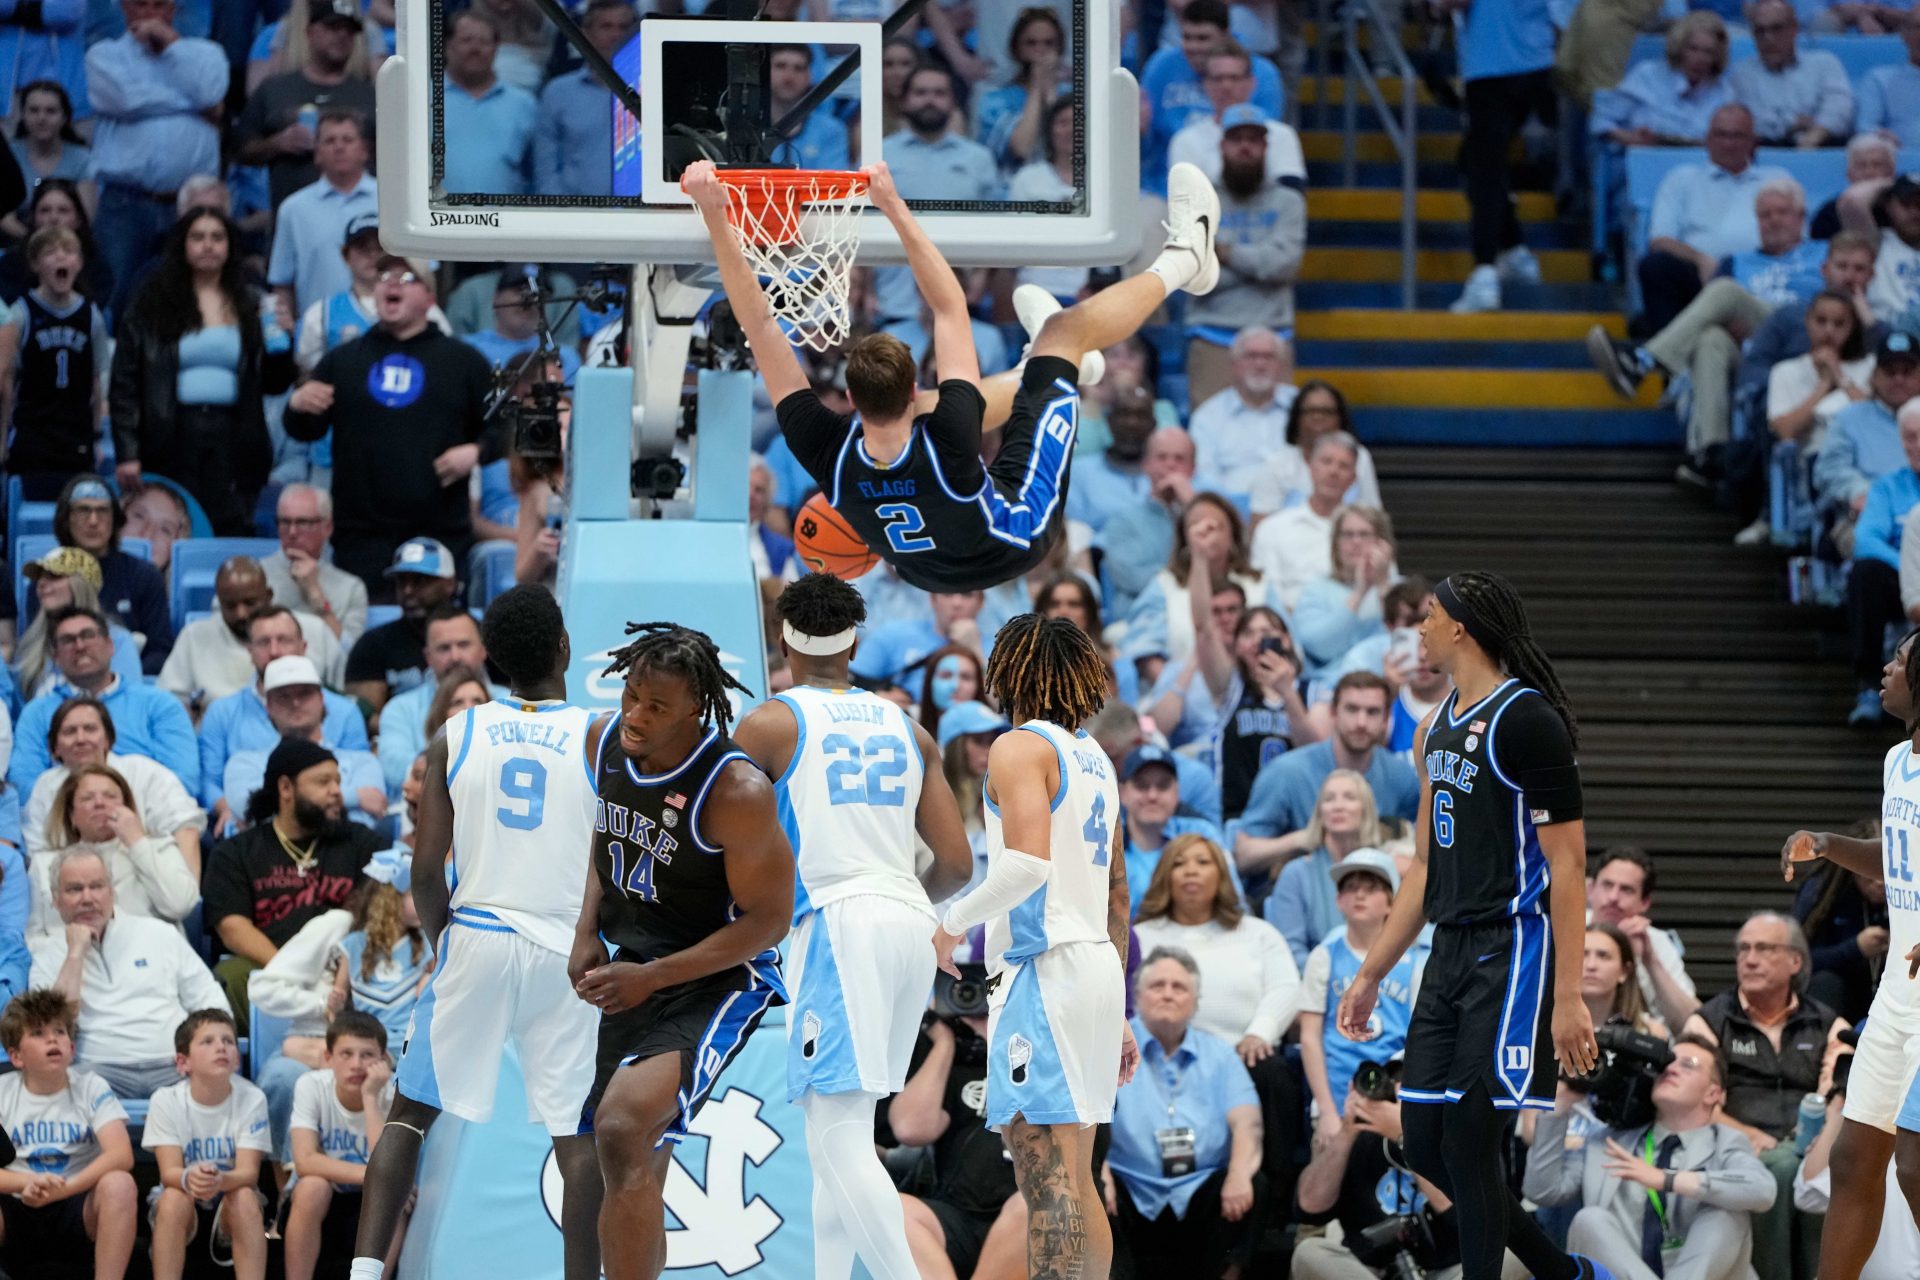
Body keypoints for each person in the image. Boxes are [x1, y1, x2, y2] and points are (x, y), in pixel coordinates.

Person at [688, 155, 1221, 594]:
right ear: (915, 386)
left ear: (850, 395)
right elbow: (948, 309)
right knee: (1063, 330)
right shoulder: (917, 430)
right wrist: (892, 207)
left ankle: (1049, 372)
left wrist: (716, 219)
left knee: (1040, 367)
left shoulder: (865, 441)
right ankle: (1187, 256)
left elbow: (758, 321)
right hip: (1015, 536)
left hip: (926, 569)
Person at [1336, 572, 1601, 1280]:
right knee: (1426, 1144)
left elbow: (1570, 869)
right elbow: (1421, 867)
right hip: (1447, 949)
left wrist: (1568, 996)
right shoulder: (1432, 727)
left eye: (1429, 616)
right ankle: (1562, 1274)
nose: (1419, 628)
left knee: (1472, 1140)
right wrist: (1371, 974)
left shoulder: (1528, 721)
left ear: (1462, 629)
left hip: (1514, 948)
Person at [350, 586, 603, 1280]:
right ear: (564, 649)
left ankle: (364, 1273)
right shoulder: (598, 736)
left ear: (489, 658)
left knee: (408, 1117)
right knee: (577, 1136)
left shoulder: (454, 735)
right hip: (565, 948)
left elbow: (426, 873)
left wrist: (446, 946)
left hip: (479, 931)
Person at [729, 573, 973, 1280]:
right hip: (908, 917)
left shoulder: (771, 721)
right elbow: (956, 863)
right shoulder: (909, 725)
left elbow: (725, 841)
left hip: (840, 922)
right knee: (837, 1133)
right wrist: (899, 903)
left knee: (837, 1136)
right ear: (855, 639)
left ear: (784, 639)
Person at [571, 621, 793, 1280]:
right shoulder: (604, 739)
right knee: (632, 1156)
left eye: (657, 706)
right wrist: (586, 928)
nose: (635, 715)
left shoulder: (735, 791)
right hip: (634, 966)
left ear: (696, 710)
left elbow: (771, 921)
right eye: (631, 695)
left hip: (719, 977)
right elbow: (606, 837)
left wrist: (656, 976)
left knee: (619, 1128)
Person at [926, 613, 1134, 1280]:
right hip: (1096, 968)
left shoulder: (1020, 747)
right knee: (1077, 1174)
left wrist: (951, 921)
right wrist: (1119, 1006)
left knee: (1044, 1177)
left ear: (1010, 672)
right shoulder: (1094, 757)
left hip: (1048, 972)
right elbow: (1119, 893)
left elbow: (1026, 868)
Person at [1780, 636, 1920, 1280]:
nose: (1887, 668)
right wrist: (1831, 844)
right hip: (1897, 991)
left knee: (1916, 1168)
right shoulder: (1896, 759)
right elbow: (1899, 862)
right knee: (1854, 1158)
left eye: (1900, 661)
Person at [284, 258, 493, 588]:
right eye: (384, 275)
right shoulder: (343, 360)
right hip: (362, 537)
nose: (392, 283)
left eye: (407, 277)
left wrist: (476, 451)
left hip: (440, 535)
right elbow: (305, 429)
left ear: (430, 297)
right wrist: (296, 405)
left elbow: (506, 428)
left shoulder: (463, 362)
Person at [1525, 1035, 1777, 1280]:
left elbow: (1762, 1190)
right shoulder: (1608, 1141)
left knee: (1724, 1214)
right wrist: (1560, 1104)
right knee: (1589, 1220)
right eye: (1667, 1063)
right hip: (1626, 1271)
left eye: (1688, 1065)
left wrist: (1665, 1179)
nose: (1671, 1069)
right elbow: (1542, 1191)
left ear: (1713, 1094)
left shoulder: (1725, 1141)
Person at [1678, 912, 1844, 1280]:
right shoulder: (1708, 1021)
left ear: (1795, 961)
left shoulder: (1828, 1023)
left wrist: (1818, 1143)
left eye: (1765, 949)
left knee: (1819, 1171)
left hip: (1812, 1143)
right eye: (1744, 950)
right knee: (1783, 1167)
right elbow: (1696, 1100)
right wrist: (1751, 1136)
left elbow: (1837, 1091)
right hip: (1734, 1143)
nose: (1750, 959)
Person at [110, 208, 288, 534]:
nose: (208, 246)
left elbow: (274, 383)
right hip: (169, 435)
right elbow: (124, 383)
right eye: (198, 237)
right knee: (173, 528)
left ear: (230, 246)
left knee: (231, 528)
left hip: (234, 436)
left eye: (217, 238)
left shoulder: (252, 304)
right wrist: (128, 452)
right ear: (183, 245)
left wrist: (283, 341)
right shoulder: (151, 304)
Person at [200, 737, 382, 1020]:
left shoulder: (362, 843)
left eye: (337, 781)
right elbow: (231, 925)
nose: (337, 791)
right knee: (229, 978)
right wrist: (289, 973)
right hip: (266, 967)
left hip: (342, 970)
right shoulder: (236, 852)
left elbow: (375, 914)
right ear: (286, 788)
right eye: (323, 782)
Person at [1108, 946, 1265, 1273]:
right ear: (1136, 996)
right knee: (1091, 1186)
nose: (1168, 994)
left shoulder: (1220, 1055)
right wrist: (1099, 1173)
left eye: (1178, 987)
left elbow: (1247, 1123)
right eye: (1157, 986)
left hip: (1199, 1193)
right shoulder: (1109, 1048)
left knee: (1254, 1181)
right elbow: (1085, 1121)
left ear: (1195, 1002)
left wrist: (1238, 1175)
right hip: (1128, 1190)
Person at [28, 847, 231, 1099]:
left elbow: (208, 998)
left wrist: (201, 1053)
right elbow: (51, 1028)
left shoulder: (159, 933)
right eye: (75, 889)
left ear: (112, 892)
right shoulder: (48, 954)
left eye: (97, 886)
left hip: (174, 1065)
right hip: (97, 1074)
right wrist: (75, 955)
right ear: (56, 900)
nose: (88, 898)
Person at [84, 0, 227, 319]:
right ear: (123, 8)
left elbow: (208, 93)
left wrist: (173, 47)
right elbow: (123, 100)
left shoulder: (207, 53)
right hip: (125, 202)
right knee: (113, 296)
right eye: (139, 4)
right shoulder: (104, 55)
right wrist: (189, 104)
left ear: (174, 9)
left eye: (159, 4)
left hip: (190, 204)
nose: (149, 13)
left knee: (188, 300)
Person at [1235, 671, 1420, 900]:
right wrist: (1302, 839)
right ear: (1333, 713)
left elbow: (1421, 845)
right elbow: (1243, 857)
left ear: (1386, 720)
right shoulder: (1287, 772)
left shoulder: (1401, 776)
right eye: (1352, 709)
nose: (1361, 722)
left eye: (1372, 712)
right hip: (1302, 894)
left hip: (1374, 897)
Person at [0, 988, 137, 1280]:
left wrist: (65, 1188)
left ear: (72, 1049)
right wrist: (28, 1182)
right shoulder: (2, 1092)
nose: (53, 1039)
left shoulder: (91, 1086)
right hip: (16, 1203)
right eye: (38, 1033)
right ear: (16, 1056)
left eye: (60, 1031)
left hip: (77, 1201)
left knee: (120, 1184)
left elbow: (121, 1154)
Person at [197, 604, 369, 819]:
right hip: (250, 827)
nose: (274, 651)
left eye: (284, 640)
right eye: (263, 642)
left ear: (303, 647)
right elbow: (209, 781)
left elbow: (365, 784)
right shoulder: (221, 712)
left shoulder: (345, 712)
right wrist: (225, 808)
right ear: (250, 652)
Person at [1292, 1070, 1463, 1280]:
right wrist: (1348, 1129)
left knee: (1508, 1254)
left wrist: (1407, 1139)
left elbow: (1462, 1218)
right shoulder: (1357, 1139)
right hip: (1370, 1271)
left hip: (1449, 1269)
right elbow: (1309, 1209)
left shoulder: (1457, 1133)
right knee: (1310, 1252)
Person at [10, 606, 197, 796]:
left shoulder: (159, 704)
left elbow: (184, 779)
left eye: (88, 635)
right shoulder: (37, 713)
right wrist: (84, 805)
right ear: (56, 657)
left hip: (148, 815)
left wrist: (119, 803)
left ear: (110, 645)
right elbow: (24, 784)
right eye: (68, 640)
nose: (80, 646)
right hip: (62, 817)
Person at [1185, 107, 1306, 396]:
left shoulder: (1289, 202)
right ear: (1222, 146)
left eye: (1253, 140)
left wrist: (1224, 254)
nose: (1245, 147)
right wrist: (1260, 267)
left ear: (1265, 148)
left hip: (1273, 336)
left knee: (1277, 435)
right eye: (1236, 139)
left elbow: (1285, 266)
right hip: (1211, 334)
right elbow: (1194, 278)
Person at [1299, 850, 1421, 1136]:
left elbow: (1419, 1039)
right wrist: (1327, 1111)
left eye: (1371, 888)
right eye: (1351, 888)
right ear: (1338, 901)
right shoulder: (1324, 957)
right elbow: (1309, 1038)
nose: (1360, 895)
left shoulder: (1413, 963)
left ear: (1392, 903)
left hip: (1396, 1093)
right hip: (1336, 1095)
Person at [1631, 105, 1784, 334]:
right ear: (1707, 139)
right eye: (1721, 134)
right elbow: (1660, 240)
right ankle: (1672, 366)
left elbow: (1797, 238)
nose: (1728, 143)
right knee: (1656, 266)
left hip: (1761, 275)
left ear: (1754, 141)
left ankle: (1653, 356)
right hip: (1700, 276)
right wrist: (1701, 260)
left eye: (1737, 135)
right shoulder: (1681, 179)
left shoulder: (1776, 179)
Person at [142, 1008, 271, 1280]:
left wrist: (220, 1180)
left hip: (231, 1197)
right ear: (183, 1062)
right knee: (173, 1199)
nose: (221, 1047)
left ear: (237, 1058)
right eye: (208, 1041)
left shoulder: (252, 1097)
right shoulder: (165, 1100)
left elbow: (249, 1174)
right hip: (182, 1202)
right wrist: (192, 1177)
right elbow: (169, 1173)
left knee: (246, 1197)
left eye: (228, 1041)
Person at [1448, 0, 1556, 313]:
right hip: (1537, 63)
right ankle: (1514, 248)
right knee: (1474, 162)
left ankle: (1484, 272)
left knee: (1483, 170)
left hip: (1491, 65)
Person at [23, 695, 204, 870]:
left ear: (108, 739)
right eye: (70, 732)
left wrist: (187, 897)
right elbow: (38, 854)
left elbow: (184, 827)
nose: (81, 739)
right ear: (55, 748)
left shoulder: (144, 772)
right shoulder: (46, 786)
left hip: (145, 883)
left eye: (90, 729)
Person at [27, 762, 198, 939]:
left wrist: (136, 841)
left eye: (110, 796)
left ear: (127, 806)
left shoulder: (159, 848)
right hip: (73, 959)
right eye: (87, 798)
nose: (100, 803)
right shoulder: (44, 863)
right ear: (71, 816)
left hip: (155, 957)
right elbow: (34, 936)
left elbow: (180, 905)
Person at [231, 0, 374, 209]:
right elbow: (239, 150)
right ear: (309, 32)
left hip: (359, 219)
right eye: (333, 27)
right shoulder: (274, 90)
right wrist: (277, 143)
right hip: (295, 218)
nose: (342, 35)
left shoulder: (370, 94)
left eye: (349, 30)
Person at [0, 226, 107, 502]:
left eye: (69, 251)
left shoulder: (90, 315)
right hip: (32, 433)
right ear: (35, 264)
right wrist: (3, 438)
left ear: (80, 263)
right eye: (50, 252)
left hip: (76, 433)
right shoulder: (21, 313)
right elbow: (9, 381)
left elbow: (95, 380)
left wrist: (95, 437)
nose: (61, 258)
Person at [285, 1012, 395, 1280]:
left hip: (370, 1201)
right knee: (312, 1185)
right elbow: (305, 1160)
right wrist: (372, 1175)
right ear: (328, 1058)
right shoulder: (310, 1085)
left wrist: (370, 1097)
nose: (356, 1064)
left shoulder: (392, 1094)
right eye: (346, 1054)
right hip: (321, 1197)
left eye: (367, 1055)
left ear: (384, 1060)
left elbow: (387, 1169)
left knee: (397, 1199)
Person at [219, 656, 385, 829]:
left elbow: (365, 821)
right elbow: (250, 808)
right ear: (268, 706)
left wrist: (282, 806)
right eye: (284, 696)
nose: (295, 703)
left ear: (322, 699)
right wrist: (354, 797)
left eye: (304, 693)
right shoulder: (244, 763)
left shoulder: (362, 762)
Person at [157, 557, 342, 711]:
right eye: (230, 606)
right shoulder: (194, 636)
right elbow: (168, 704)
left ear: (268, 595)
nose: (241, 613)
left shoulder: (315, 631)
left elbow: (343, 695)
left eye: (250, 602)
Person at [1266, 769, 1395, 967]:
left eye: (1350, 797)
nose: (1338, 806)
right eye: (1329, 799)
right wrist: (1332, 977)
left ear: (1366, 809)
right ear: (1320, 811)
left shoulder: (1387, 867)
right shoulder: (1295, 874)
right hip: (1316, 982)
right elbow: (1288, 952)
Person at [48, 476, 173, 672]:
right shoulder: (48, 579)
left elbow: (160, 651)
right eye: (83, 511)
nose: (93, 521)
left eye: (102, 511)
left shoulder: (145, 576)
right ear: (66, 519)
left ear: (115, 520)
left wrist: (114, 682)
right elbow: (40, 651)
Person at [1846, 403, 1920, 725]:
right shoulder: (1888, 487)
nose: (1917, 445)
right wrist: (1910, 570)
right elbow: (1865, 541)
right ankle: (1867, 685)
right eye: (1910, 437)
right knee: (1866, 572)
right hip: (1901, 582)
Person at [371, 605, 493, 793]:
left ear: (483, 650)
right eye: (444, 648)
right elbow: (395, 769)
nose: (455, 657)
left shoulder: (509, 700)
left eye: (463, 645)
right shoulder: (400, 708)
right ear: (428, 656)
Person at [1587, 847, 1700, 1030]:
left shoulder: (1657, 943)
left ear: (1645, 902)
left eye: (1627, 889)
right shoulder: (1561, 930)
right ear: (1590, 890)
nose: (1613, 897)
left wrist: (1650, 960)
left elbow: (1692, 1024)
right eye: (1607, 885)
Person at [13, 546, 143, 703]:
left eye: (54, 576)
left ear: (81, 584)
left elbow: (128, 702)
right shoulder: (31, 645)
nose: (41, 583)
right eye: (40, 576)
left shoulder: (118, 640)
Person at [532, 0, 635, 197]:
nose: (616, 35)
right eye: (606, 26)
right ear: (586, 34)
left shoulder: (653, 91)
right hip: (574, 215)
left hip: (642, 215)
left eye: (623, 27)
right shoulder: (558, 92)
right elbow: (545, 168)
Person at [343, 542, 463, 708]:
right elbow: (364, 716)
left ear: (450, 584)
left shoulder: (481, 636)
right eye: (401, 581)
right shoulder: (373, 644)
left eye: (420, 581)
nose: (408, 590)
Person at [1250, 432, 1362, 609]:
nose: (1333, 472)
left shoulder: (1366, 532)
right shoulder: (1273, 528)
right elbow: (1264, 592)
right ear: (1310, 467)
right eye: (1326, 462)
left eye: (1343, 466)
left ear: (1353, 478)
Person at [1249, 380, 1384, 518]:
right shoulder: (1276, 463)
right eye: (1310, 411)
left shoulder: (1359, 457)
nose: (1318, 417)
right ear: (1297, 418)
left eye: (1326, 412)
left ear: (1340, 418)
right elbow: (1261, 528)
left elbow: (1373, 515)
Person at [1726, 0, 1851, 148]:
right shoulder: (1742, 73)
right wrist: (1794, 122)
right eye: (1760, 31)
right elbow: (1753, 124)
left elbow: (1840, 109)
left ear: (1794, 29)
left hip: (1822, 145)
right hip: (1766, 152)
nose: (1769, 38)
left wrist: (1816, 134)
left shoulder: (1825, 63)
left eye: (1776, 28)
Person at [1188, 326, 1296, 496]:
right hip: (1232, 511)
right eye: (1251, 356)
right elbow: (1205, 477)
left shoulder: (1302, 406)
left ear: (1281, 366)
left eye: (1268, 357)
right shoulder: (1208, 416)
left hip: (1295, 509)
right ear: (1235, 365)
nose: (1260, 364)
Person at [439, 11, 536, 196]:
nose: (475, 48)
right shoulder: (424, 99)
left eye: (484, 42)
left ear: (496, 48)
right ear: (447, 45)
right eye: (466, 40)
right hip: (437, 221)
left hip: (506, 221)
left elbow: (535, 173)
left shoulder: (523, 104)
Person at [265, 483, 371, 645]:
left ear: (327, 528)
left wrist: (318, 598)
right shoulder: (256, 576)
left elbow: (350, 655)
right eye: (285, 522)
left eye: (302, 523)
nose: (292, 532)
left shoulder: (351, 588)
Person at [1855, 8, 1920, 148]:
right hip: (1901, 165)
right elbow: (1865, 127)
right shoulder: (1879, 79)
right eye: (1918, 27)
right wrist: (1879, 136)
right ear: (1904, 34)